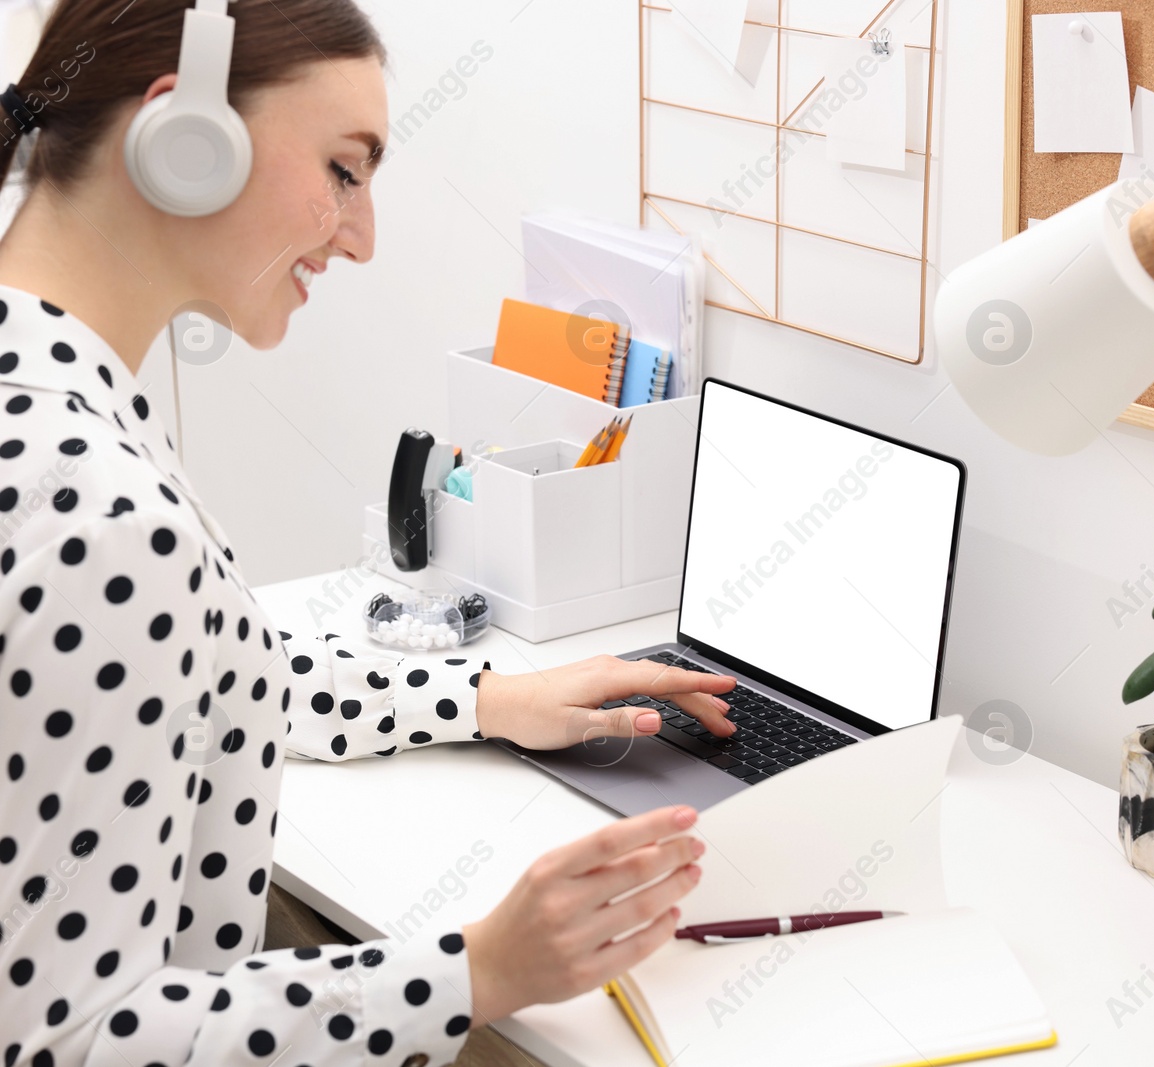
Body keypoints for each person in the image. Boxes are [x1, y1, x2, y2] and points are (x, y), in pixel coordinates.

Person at [0, 1, 740, 1063]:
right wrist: (482, 969)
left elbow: (187, 677)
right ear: (182, 139)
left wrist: (491, 699)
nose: (363, 235)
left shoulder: (47, 415)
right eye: (346, 171)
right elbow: (68, 1041)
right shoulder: (103, 518)